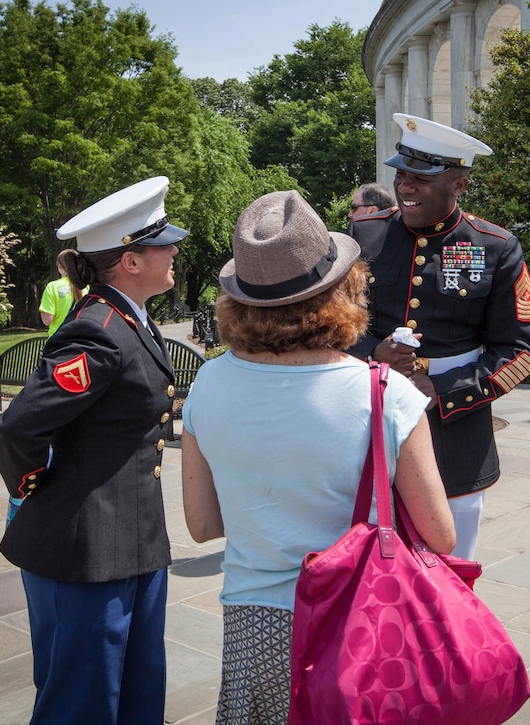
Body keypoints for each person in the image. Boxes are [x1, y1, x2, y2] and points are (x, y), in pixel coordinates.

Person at [181, 190, 455, 724]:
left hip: (253, 624)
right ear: (342, 290)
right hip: (361, 623)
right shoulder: (385, 392)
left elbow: (202, 525)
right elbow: (440, 535)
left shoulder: (208, 384)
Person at [0, 176, 187, 724]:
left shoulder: (127, 318)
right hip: (85, 550)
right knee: (81, 704)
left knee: (137, 694)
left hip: (132, 541)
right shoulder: (98, 331)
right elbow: (17, 428)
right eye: (164, 243)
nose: (174, 250)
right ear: (129, 260)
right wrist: (37, 491)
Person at [347, 113, 530, 560]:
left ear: (460, 184)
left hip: (454, 435)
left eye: (422, 177)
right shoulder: (364, 234)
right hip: (368, 419)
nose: (405, 186)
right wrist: (370, 349)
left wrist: (445, 390)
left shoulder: (495, 246)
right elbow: (331, 322)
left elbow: (520, 353)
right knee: (370, 560)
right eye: (401, 174)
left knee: (452, 565)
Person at [39, 250, 87, 337]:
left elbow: (47, 320)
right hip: (82, 338)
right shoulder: (86, 287)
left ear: (60, 266)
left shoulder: (53, 287)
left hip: (58, 340)